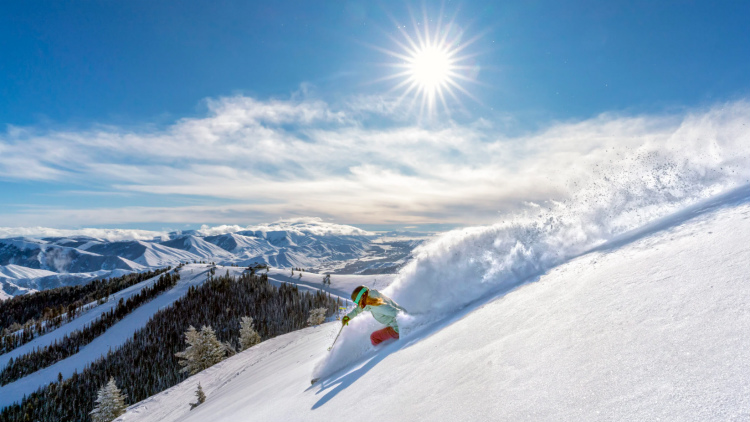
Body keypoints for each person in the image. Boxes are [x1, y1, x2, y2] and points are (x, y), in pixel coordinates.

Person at [342, 285, 407, 346]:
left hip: (398, 328)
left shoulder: (378, 306)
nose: (357, 305)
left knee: (374, 337)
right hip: (394, 324)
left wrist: (406, 327)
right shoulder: (371, 299)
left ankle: (386, 353)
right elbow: (357, 310)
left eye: (357, 303)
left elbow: (397, 312)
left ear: (362, 298)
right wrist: (348, 317)